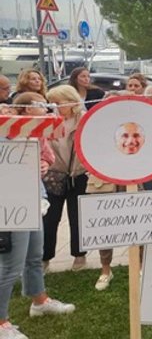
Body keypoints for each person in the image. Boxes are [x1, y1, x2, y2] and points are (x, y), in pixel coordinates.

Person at [0, 94, 76, 339]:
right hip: (9, 205)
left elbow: (47, 156)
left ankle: (39, 300)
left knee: (34, 255)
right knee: (10, 265)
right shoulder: (4, 135)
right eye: (40, 107)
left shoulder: (36, 134)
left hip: (34, 198)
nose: (45, 111)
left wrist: (44, 163)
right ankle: (1, 322)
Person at [42, 85, 89, 272]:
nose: (53, 106)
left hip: (79, 173)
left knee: (78, 216)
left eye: (57, 103)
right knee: (50, 217)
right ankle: (45, 257)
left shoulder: (84, 120)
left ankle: (79, 255)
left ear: (71, 102)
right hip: (54, 174)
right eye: (50, 103)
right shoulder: (47, 120)